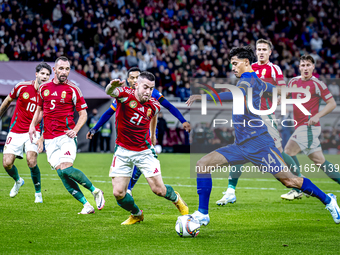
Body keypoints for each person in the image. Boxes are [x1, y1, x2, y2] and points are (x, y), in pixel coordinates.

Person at [186, 46, 340, 226]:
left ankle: (329, 201)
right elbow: (273, 88)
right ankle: (203, 213)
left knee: (291, 181)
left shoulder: (247, 80)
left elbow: (238, 93)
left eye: (235, 64)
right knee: (202, 165)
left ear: (246, 63)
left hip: (260, 144)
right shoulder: (256, 80)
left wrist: (204, 96)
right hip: (241, 144)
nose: (233, 68)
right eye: (232, 64)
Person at [216, 39, 302, 205]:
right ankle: (230, 190)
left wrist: (278, 99)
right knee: (239, 149)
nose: (261, 52)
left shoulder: (274, 69)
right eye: (259, 49)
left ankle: (297, 186)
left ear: (270, 52)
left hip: (266, 115)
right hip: (248, 116)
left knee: (279, 150)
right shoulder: (248, 67)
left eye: (264, 49)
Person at [86, 67, 191, 195]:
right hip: (126, 137)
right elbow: (109, 112)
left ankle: (130, 188)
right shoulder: (124, 95)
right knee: (127, 169)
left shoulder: (151, 92)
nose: (135, 79)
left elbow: (163, 109)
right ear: (128, 80)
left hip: (144, 134)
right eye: (133, 77)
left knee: (142, 164)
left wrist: (155, 132)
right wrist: (95, 128)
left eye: (137, 77)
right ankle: (128, 190)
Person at [105, 72, 189, 225]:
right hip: (122, 151)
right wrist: (111, 86)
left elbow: (155, 114)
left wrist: (153, 134)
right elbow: (110, 92)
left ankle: (176, 199)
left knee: (159, 190)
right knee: (118, 193)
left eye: (151, 89)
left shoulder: (154, 105)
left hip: (144, 151)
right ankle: (136, 214)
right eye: (145, 87)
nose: (148, 92)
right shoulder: (125, 95)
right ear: (136, 85)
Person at [29, 56, 105, 214]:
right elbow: (41, 111)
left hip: (66, 137)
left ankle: (95, 190)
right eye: (61, 68)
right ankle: (86, 205)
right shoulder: (43, 89)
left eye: (67, 69)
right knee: (61, 173)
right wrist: (34, 128)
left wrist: (75, 130)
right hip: (49, 139)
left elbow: (83, 114)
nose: (64, 72)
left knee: (66, 168)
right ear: (54, 70)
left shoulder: (73, 89)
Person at [284, 54, 340, 193]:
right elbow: (284, 95)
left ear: (313, 67)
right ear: (299, 67)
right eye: (303, 65)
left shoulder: (317, 84)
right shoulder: (293, 82)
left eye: (308, 65)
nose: (305, 68)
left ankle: (298, 187)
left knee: (287, 152)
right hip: (302, 128)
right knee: (321, 161)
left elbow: (332, 103)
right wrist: (279, 99)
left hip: (309, 127)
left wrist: (317, 115)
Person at [0, 62, 51, 203]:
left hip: (34, 131)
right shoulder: (22, 87)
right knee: (7, 163)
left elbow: (48, 117)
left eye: (47, 74)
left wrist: (42, 137)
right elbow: (7, 100)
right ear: (36, 74)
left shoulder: (48, 94)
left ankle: (38, 194)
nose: (45, 76)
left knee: (31, 160)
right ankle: (18, 180)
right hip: (16, 130)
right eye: (42, 73)